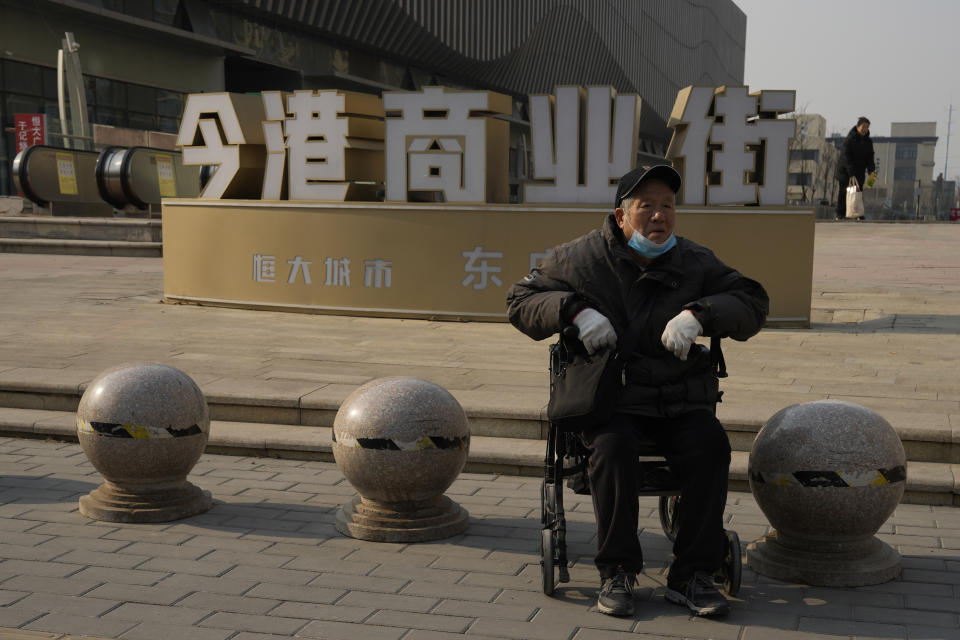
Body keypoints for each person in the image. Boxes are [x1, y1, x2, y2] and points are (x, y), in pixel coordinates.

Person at [506, 165, 768, 618]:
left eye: (667, 205)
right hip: (611, 399)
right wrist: (573, 311)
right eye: (646, 205)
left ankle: (692, 574)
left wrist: (701, 315)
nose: (659, 216)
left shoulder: (696, 261)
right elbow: (521, 300)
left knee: (709, 445)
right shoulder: (581, 258)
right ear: (621, 215)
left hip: (677, 398)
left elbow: (751, 301)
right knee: (612, 448)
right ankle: (617, 570)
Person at [836, 116, 876, 220]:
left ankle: (858, 214)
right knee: (844, 192)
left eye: (867, 127)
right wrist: (850, 170)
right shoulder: (850, 139)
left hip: (859, 171)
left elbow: (870, 157)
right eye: (863, 126)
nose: (865, 129)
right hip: (845, 171)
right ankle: (840, 214)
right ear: (858, 127)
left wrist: (872, 170)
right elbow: (846, 155)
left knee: (858, 192)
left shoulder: (868, 142)